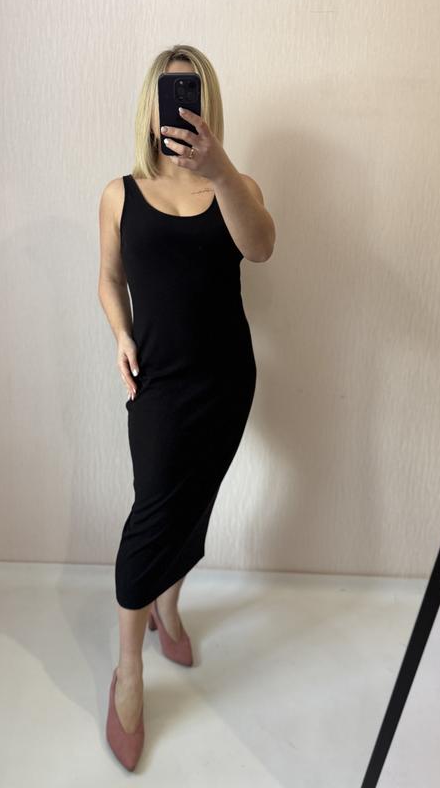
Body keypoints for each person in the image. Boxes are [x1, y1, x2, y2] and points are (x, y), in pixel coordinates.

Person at [97, 44, 275, 771]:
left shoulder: (237, 183)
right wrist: (120, 333)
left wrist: (221, 171)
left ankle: (168, 608)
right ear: (152, 106)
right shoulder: (120, 193)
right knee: (153, 515)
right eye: (169, 94)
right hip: (159, 384)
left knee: (194, 504)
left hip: (227, 381)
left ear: (207, 103)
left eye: (191, 92)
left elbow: (261, 248)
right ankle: (128, 670)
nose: (178, 105)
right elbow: (109, 279)